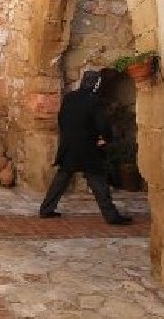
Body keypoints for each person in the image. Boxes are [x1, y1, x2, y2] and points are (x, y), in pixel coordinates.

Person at [38, 70, 132, 225]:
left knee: (61, 179)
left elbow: (61, 119)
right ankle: (111, 216)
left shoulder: (69, 98)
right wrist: (106, 138)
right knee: (98, 181)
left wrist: (68, 137)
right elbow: (102, 124)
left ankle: (46, 209)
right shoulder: (94, 101)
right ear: (96, 84)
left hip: (69, 146)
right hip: (88, 148)